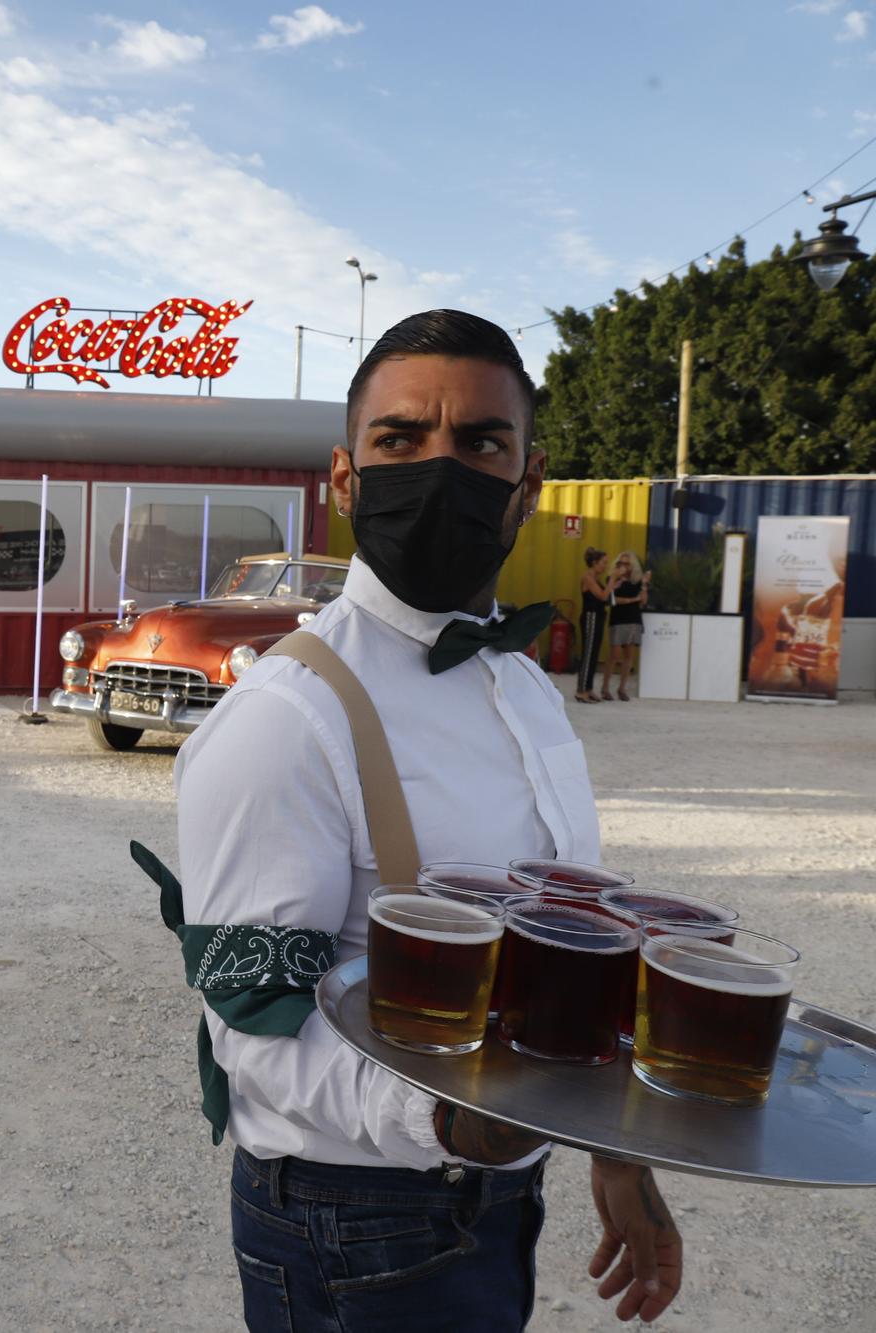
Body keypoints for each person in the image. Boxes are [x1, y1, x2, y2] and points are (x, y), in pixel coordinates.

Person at [174, 311, 683, 1331]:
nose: (438, 469)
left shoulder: (524, 690)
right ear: (342, 479)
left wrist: (614, 1151)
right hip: (356, 1216)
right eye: (400, 440)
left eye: (478, 443)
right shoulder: (285, 717)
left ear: (525, 484)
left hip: (492, 1198)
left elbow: (568, 950)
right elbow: (252, 1023)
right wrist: (457, 1122)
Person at [600, 552, 649, 700]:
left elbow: (643, 601)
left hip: (633, 620)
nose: (623, 566)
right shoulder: (612, 579)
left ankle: (622, 688)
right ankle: (605, 687)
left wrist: (645, 585)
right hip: (618, 619)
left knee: (629, 656)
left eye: (626, 564)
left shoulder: (637, 581)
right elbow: (614, 600)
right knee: (614, 656)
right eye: (620, 563)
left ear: (632, 566)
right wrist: (633, 599)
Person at [577, 547, 613, 703]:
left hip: (598, 617)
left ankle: (589, 688)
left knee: (594, 653)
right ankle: (581, 690)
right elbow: (602, 596)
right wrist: (612, 581)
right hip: (590, 617)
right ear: (594, 562)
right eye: (603, 563)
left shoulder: (595, 578)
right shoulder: (588, 578)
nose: (605, 566)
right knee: (589, 653)